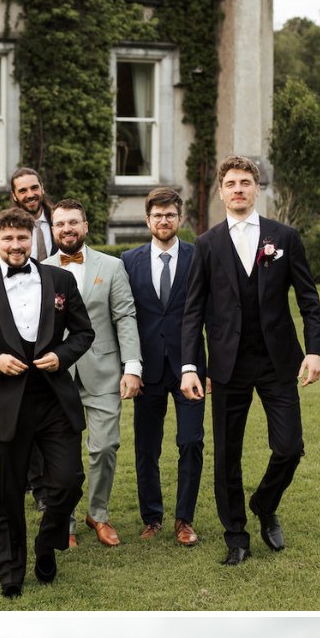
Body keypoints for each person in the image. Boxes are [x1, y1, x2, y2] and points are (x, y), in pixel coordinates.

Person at [0, 207, 94, 598]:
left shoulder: (59, 280)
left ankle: (47, 543)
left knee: (67, 481)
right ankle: (10, 573)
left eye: (22, 238)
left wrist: (63, 355)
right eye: (7, 238)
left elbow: (84, 332)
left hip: (55, 400)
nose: (15, 245)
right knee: (7, 493)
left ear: (32, 240)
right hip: (5, 405)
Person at [180, 156, 320, 566]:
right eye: (231, 183)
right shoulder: (206, 244)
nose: (238, 188)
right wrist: (191, 366)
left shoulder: (285, 237)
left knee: (290, 447)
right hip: (227, 366)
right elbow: (193, 311)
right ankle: (236, 536)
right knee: (227, 454)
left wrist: (314, 349)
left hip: (278, 361)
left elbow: (308, 300)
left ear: (256, 189)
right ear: (221, 191)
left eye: (245, 182)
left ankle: (265, 502)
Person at [40, 199, 142, 549]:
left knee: (105, 447)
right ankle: (63, 521)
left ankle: (98, 513)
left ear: (85, 226)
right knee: (62, 455)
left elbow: (125, 317)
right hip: (58, 376)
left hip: (104, 370)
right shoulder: (41, 269)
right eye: (59, 224)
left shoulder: (112, 267)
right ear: (52, 230)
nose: (66, 229)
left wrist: (132, 367)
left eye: (73, 222)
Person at [121, 188, 207, 548]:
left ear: (179, 218)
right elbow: (124, 317)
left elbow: (211, 314)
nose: (164, 220)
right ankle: (152, 516)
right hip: (148, 367)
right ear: (147, 220)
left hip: (190, 366)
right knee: (146, 446)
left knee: (191, 441)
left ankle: (184, 519)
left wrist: (210, 366)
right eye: (157, 215)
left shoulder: (198, 255)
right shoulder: (128, 260)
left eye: (170, 214)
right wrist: (130, 366)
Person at [0, 166, 57, 265]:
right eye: (23, 191)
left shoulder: (60, 221)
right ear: (14, 195)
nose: (30, 195)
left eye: (34, 188)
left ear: (42, 188)